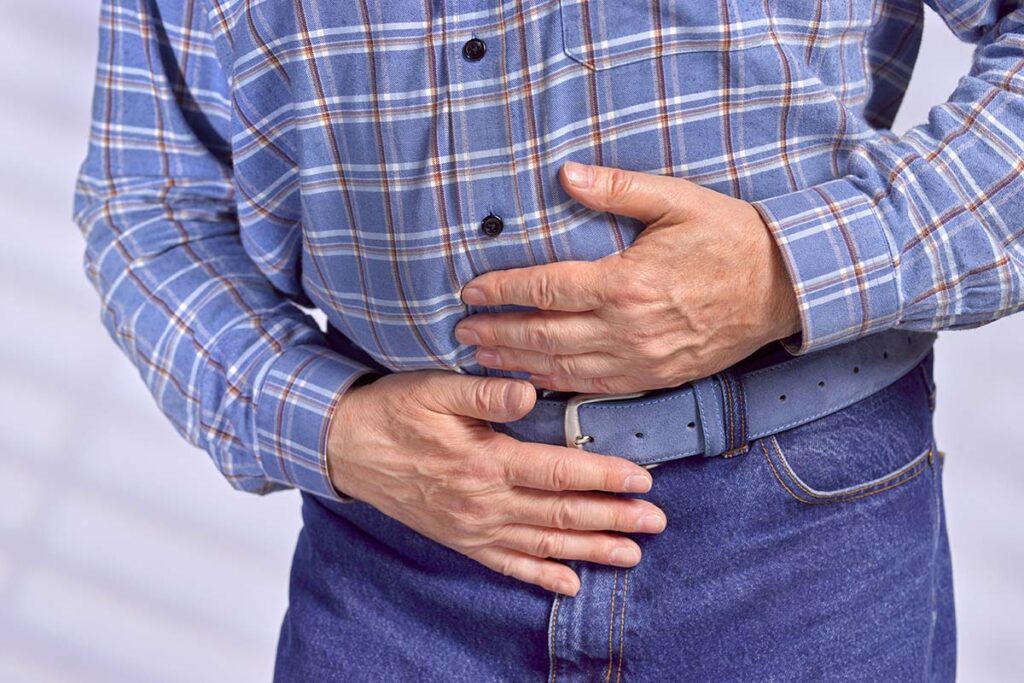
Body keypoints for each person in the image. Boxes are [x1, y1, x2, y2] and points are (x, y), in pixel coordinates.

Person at [72, 1, 1024, 680]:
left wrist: (785, 269)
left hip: (799, 543)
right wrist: (329, 426)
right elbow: (148, 204)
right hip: (399, 554)